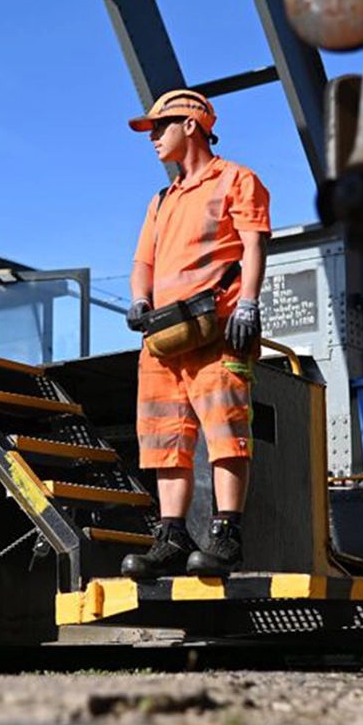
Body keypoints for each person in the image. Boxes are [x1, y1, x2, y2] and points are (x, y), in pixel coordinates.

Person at [120, 89, 270, 578]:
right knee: (165, 437)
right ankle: (171, 535)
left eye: (160, 127)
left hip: (217, 330)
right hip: (163, 339)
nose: (153, 138)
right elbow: (143, 260)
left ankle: (226, 533)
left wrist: (247, 301)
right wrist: (140, 299)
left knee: (225, 432)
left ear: (191, 125)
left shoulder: (236, 180)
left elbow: (252, 244)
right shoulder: (160, 201)